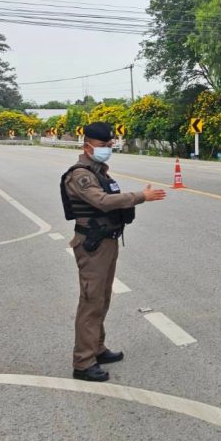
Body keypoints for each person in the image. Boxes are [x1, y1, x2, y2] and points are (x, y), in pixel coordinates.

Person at [60, 121, 166, 382]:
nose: (108, 148)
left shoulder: (99, 172)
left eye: (110, 144)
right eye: (103, 145)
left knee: (102, 299)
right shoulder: (81, 175)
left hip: (107, 242)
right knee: (91, 302)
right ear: (87, 146)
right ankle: (83, 362)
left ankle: (97, 347)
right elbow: (102, 201)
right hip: (92, 244)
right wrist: (140, 196)